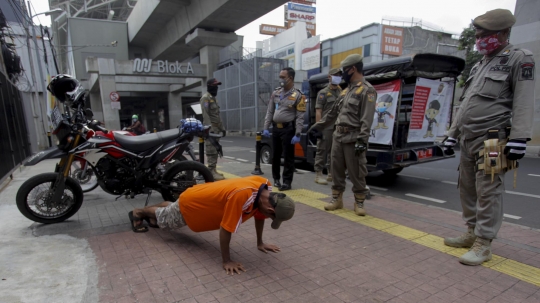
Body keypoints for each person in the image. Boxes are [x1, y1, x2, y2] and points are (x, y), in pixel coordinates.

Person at [443, 9, 535, 266]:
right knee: (467, 189)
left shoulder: (519, 58)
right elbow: (466, 104)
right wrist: (452, 134)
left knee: (488, 191)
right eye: (477, 35)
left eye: (485, 35)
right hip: (468, 139)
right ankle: (471, 232)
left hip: (494, 139)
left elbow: (524, 99)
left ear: (504, 33)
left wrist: (519, 137)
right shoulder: (481, 63)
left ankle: (484, 243)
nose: (479, 39)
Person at [128, 176, 295, 275]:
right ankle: (139, 212)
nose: (268, 218)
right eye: (272, 217)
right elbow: (226, 229)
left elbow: (259, 215)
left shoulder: (265, 187)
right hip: (192, 203)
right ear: (270, 209)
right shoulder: (242, 196)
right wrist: (226, 261)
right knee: (166, 220)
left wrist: (260, 242)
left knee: (173, 209)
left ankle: (166, 208)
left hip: (201, 195)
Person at [309, 54, 377, 216]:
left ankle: (359, 202)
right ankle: (337, 199)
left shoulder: (367, 90)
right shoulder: (344, 91)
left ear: (352, 69)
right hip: (338, 137)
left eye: (344, 71)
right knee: (336, 169)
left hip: (353, 138)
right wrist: (316, 127)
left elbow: (366, 119)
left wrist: (362, 140)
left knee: (357, 172)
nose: (342, 74)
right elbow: (331, 114)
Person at [262, 67, 307, 191]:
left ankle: (287, 182)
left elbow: (300, 116)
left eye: (283, 77)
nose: (280, 79)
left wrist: (297, 133)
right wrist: (266, 127)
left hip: (288, 130)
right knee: (275, 155)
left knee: (288, 157)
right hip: (276, 129)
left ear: (290, 78)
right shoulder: (276, 93)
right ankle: (276, 179)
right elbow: (270, 111)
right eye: (280, 77)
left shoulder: (298, 95)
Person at [314, 68, 343, 185]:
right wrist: (318, 127)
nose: (338, 77)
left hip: (338, 126)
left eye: (339, 75)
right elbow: (318, 111)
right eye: (335, 75)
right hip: (326, 126)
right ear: (329, 77)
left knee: (334, 151)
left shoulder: (341, 91)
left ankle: (331, 173)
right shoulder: (323, 93)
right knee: (321, 150)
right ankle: (318, 174)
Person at [200, 78, 227, 181]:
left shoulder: (213, 99)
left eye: (217, 86)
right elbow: (205, 114)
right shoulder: (205, 98)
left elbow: (217, 115)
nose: (216, 88)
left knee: (216, 149)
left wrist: (222, 128)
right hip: (211, 129)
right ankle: (210, 171)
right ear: (210, 86)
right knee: (211, 149)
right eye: (215, 86)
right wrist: (209, 129)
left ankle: (214, 170)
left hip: (216, 128)